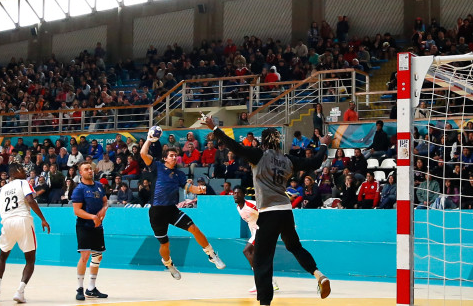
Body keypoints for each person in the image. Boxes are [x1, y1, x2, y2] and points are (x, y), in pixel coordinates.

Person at [204, 115, 331, 306]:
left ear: (263, 143)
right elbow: (314, 163)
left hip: (269, 213)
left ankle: (264, 303)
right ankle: (318, 274)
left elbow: (235, 147)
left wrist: (214, 129)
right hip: (286, 211)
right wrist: (323, 145)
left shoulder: (259, 155)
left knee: (262, 260)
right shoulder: (288, 159)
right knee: (295, 247)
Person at [140, 128, 225, 281]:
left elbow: (188, 188)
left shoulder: (179, 174)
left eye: (176, 156)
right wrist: (149, 139)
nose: (174, 157)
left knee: (194, 228)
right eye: (171, 155)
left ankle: (211, 255)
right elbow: (142, 154)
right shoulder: (157, 167)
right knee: (165, 244)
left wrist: (197, 190)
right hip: (156, 212)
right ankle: (169, 264)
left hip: (172, 210)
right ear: (165, 158)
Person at [0, 164, 51, 303]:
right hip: (23, 220)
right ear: (14, 173)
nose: (25, 172)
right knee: (30, 259)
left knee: (2, 257)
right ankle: (20, 292)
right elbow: (30, 200)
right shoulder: (23, 183)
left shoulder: (1, 190)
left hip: (7, 223)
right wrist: (43, 219)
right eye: (22, 170)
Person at [72, 162, 109, 301]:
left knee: (97, 256)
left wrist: (104, 210)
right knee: (85, 256)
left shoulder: (99, 186)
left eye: (90, 169)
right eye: (86, 169)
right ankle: (79, 288)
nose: (90, 171)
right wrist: (93, 216)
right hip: (84, 226)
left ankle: (91, 288)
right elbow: (77, 210)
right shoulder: (79, 189)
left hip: (97, 227)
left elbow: (105, 202)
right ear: (80, 173)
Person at [232, 186, 278, 294]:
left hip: (262, 231)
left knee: (247, 251)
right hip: (255, 232)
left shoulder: (251, 205)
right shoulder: (238, 208)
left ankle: (261, 281)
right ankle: (269, 282)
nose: (235, 195)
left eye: (238, 193)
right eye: (234, 193)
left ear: (244, 195)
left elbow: (267, 213)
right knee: (259, 258)